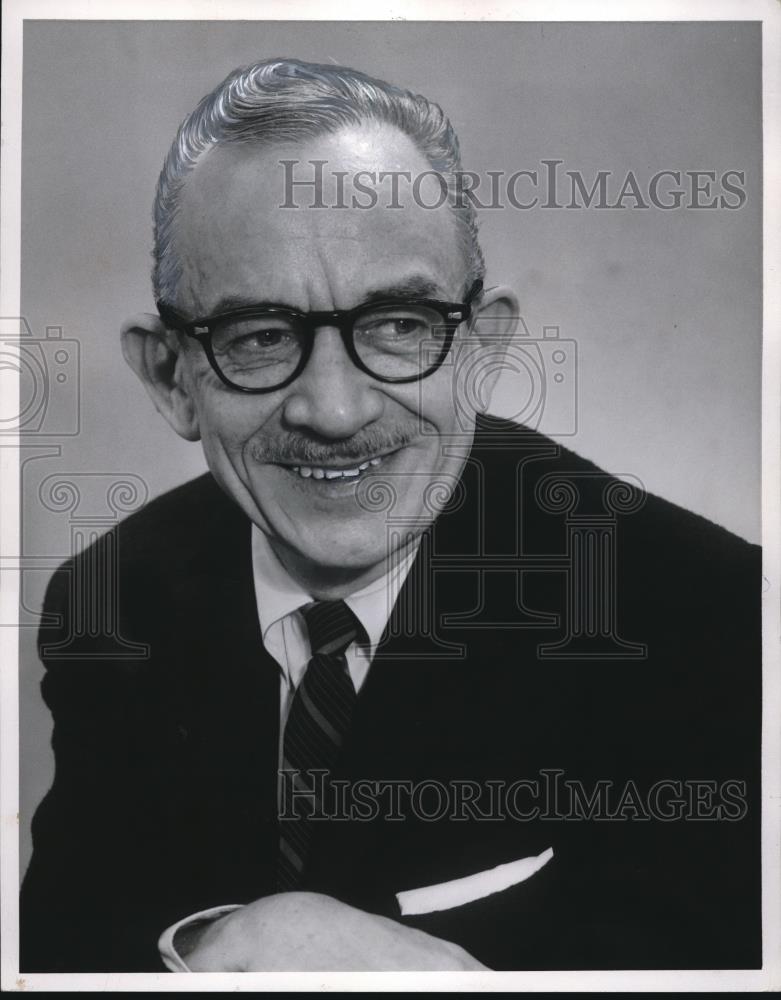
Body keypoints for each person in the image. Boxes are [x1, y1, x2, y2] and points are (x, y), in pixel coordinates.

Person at [20, 58, 761, 973]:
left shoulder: (707, 614)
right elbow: (65, 943)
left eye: (399, 325)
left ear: (480, 350)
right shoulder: (110, 600)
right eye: (257, 336)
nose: (333, 412)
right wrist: (216, 939)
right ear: (172, 377)